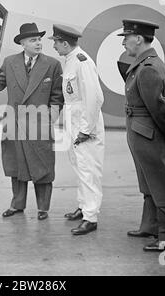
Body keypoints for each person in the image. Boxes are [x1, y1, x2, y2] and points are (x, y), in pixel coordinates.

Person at [0, 23, 63, 220]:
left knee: (42, 166)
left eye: (39, 39)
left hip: (39, 124)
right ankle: (17, 205)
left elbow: (58, 96)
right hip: (14, 123)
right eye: (33, 40)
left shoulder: (52, 65)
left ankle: (43, 208)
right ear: (23, 43)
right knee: (16, 166)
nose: (38, 43)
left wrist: (51, 118)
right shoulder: (10, 62)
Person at [118, 19, 165, 251]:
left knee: (161, 183)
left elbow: (160, 109)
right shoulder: (146, 64)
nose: (123, 43)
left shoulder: (148, 68)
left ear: (139, 39)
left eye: (126, 38)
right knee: (149, 182)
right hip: (141, 132)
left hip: (148, 134)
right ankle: (150, 226)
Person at [49, 24, 105, 235]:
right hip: (75, 123)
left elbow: (94, 98)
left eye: (55, 42)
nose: (54, 46)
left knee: (88, 169)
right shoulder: (71, 60)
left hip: (85, 125)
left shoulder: (83, 62)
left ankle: (91, 217)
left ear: (64, 43)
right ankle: (83, 207)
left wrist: (85, 129)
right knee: (79, 166)